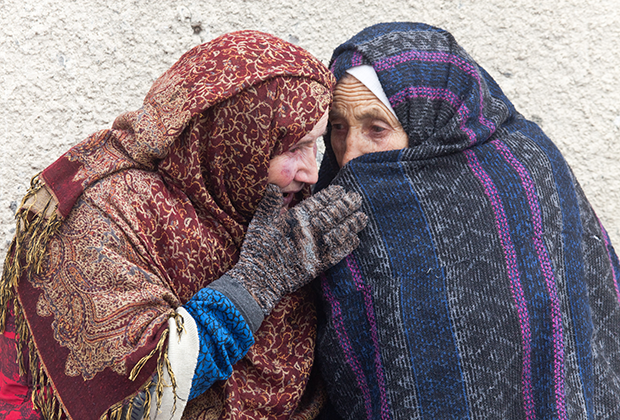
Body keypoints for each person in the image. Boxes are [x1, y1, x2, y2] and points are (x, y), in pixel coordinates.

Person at [0, 30, 368, 420]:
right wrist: (257, 283)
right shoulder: (107, 215)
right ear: (232, 143)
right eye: (292, 148)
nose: (312, 172)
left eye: (317, 143)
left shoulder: (260, 210)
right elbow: (136, 396)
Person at [314, 22, 620, 419]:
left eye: (377, 128)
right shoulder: (330, 210)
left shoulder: (528, 175)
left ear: (431, 119)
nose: (350, 153)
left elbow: (583, 325)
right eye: (338, 127)